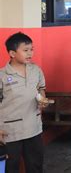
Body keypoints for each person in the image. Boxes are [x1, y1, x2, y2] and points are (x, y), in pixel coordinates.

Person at [0, 32, 50, 173]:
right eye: (25, 50)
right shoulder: (2, 75)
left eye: (31, 49)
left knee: (35, 165)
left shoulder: (36, 70)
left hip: (34, 128)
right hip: (10, 132)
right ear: (12, 53)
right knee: (11, 167)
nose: (30, 53)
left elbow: (41, 89)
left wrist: (43, 100)